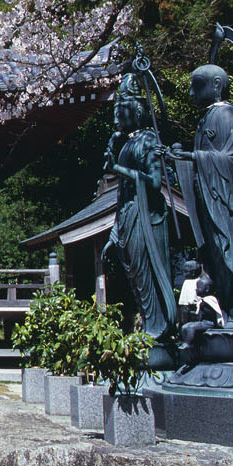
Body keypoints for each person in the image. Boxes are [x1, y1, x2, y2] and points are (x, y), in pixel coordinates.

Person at [172, 64, 233, 328]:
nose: (190, 92)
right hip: (209, 200)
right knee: (214, 257)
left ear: (215, 85)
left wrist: (193, 156)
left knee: (229, 253)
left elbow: (231, 159)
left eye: (195, 86)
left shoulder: (227, 115)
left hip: (225, 203)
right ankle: (224, 311)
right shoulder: (204, 119)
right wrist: (182, 161)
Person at [101, 73, 178, 354]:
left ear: (135, 112)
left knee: (148, 272)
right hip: (128, 213)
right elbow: (121, 194)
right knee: (135, 275)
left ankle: (159, 331)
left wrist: (118, 169)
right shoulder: (127, 143)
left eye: (120, 113)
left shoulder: (147, 140)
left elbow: (155, 182)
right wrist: (114, 231)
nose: (116, 120)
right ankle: (149, 325)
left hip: (146, 214)